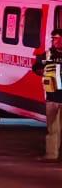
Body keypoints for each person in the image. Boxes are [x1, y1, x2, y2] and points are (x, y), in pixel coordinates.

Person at [31, 28, 62, 162]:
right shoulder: (48, 54)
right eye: (54, 39)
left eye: (58, 38)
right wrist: (40, 70)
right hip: (52, 97)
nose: (55, 41)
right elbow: (36, 67)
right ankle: (51, 155)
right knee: (53, 129)